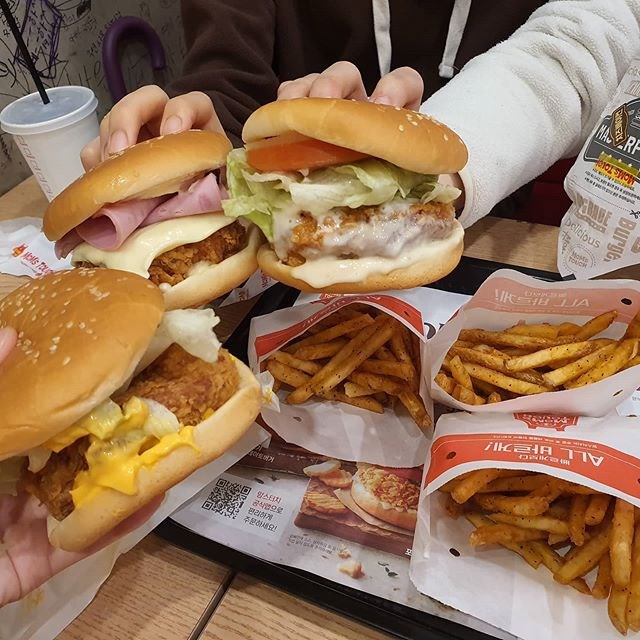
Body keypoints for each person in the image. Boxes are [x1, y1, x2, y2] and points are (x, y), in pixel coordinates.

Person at [81, 0, 640, 228]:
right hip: (279, 230)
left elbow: (583, 42)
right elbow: (226, 69)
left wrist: (423, 170)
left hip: (496, 225)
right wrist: (198, 137)